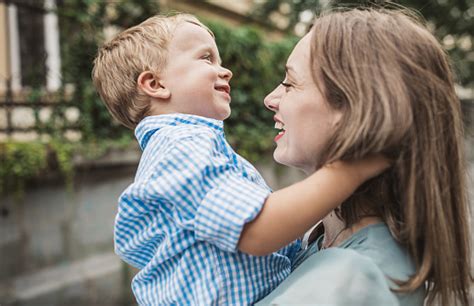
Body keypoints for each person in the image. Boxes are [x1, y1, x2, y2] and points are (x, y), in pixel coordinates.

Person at [91, 14, 387, 305]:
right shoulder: (181, 149)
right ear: (155, 84)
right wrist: (349, 171)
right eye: (206, 58)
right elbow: (257, 230)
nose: (226, 70)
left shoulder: (190, 148)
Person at [257, 7, 472, 306]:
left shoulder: (351, 280)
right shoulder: (325, 246)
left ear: (359, 113)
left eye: (290, 83)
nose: (270, 99)